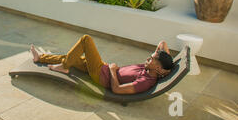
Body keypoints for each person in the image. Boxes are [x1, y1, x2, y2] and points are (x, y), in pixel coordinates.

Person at [30, 34, 174, 94]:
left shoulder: (145, 82)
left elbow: (117, 89)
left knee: (86, 40)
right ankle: (40, 58)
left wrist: (112, 70)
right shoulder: (151, 68)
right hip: (103, 68)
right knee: (71, 57)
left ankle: (64, 67)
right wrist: (165, 64)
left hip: (101, 75)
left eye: (152, 59)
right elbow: (162, 44)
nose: (148, 58)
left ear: (158, 67)